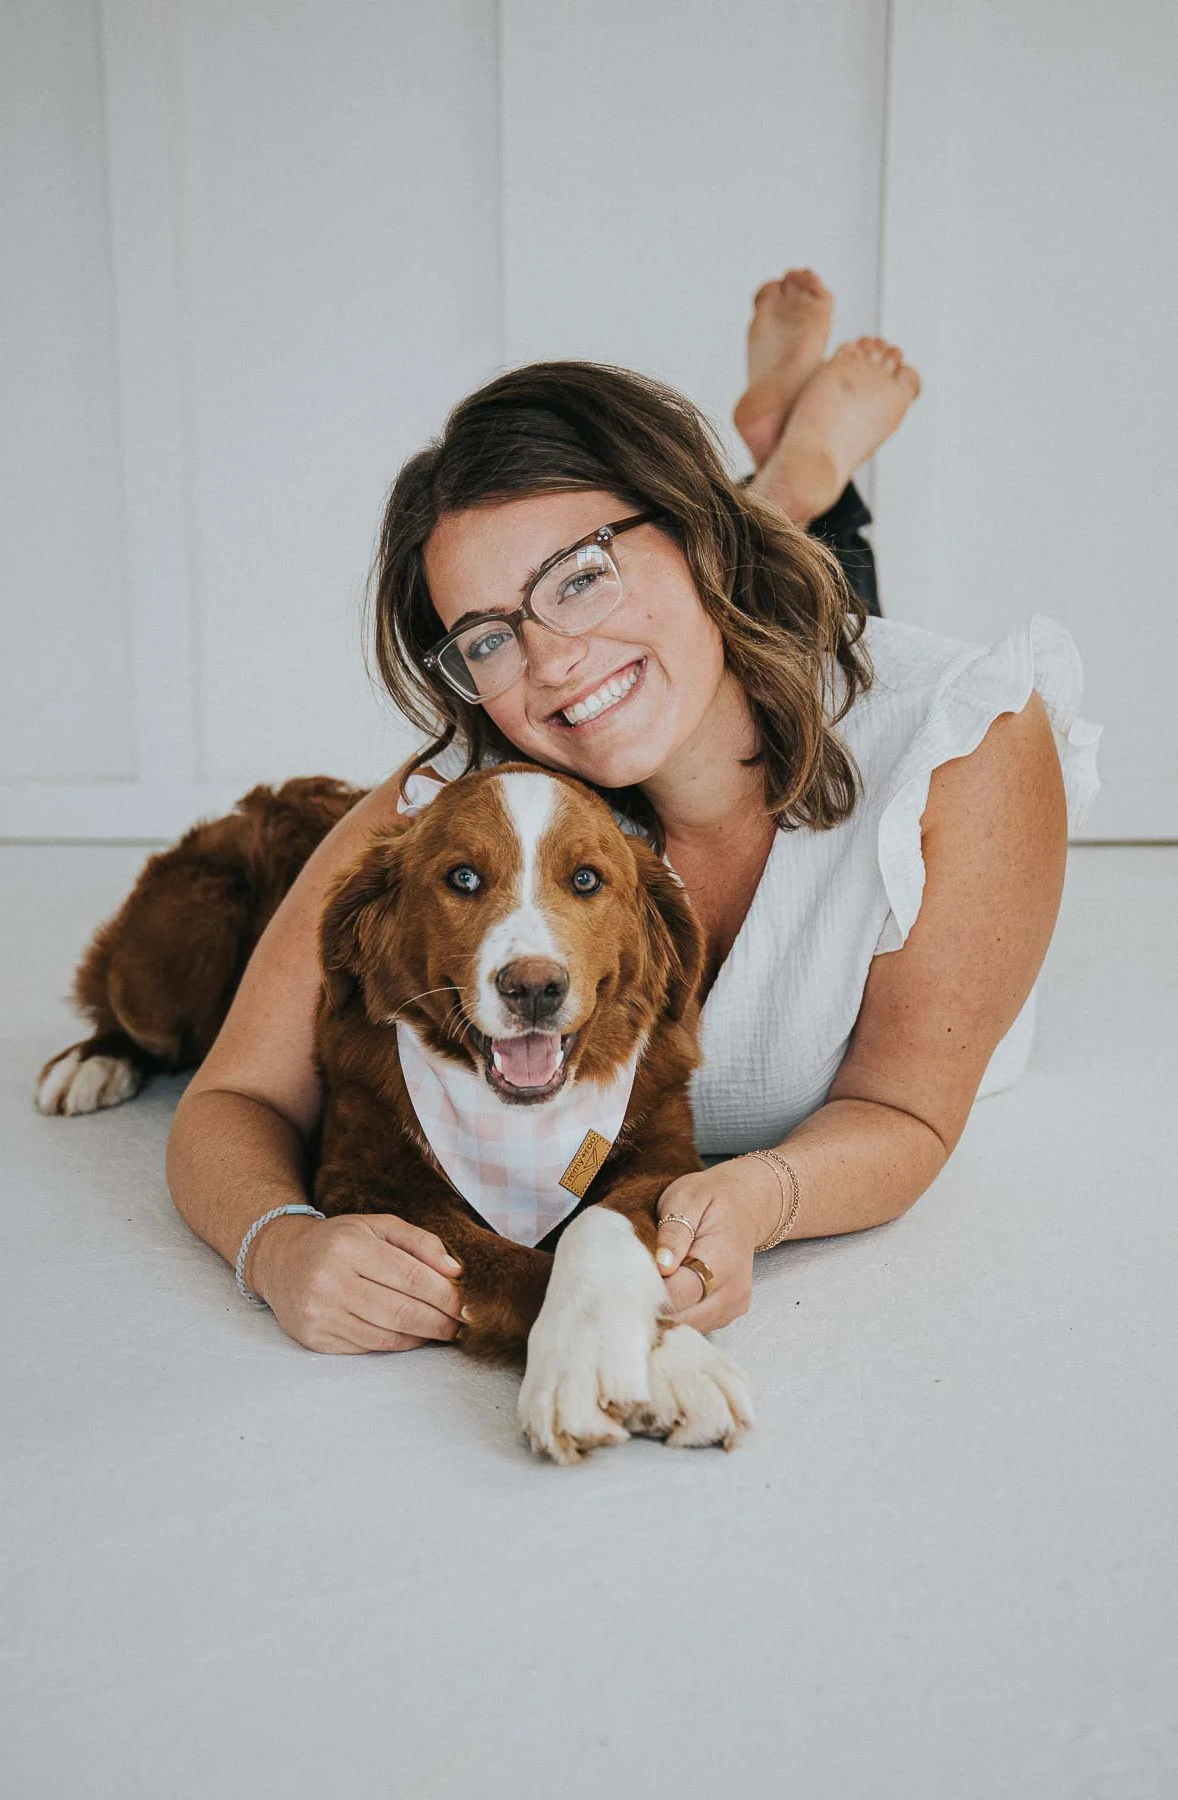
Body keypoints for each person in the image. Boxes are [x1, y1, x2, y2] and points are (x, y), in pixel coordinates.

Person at [165, 268, 1100, 1355]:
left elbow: (903, 1112)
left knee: (791, 615)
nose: (553, 663)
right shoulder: (473, 790)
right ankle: (783, 476)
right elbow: (233, 1095)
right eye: (488, 636)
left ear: (698, 529)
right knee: (681, 651)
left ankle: (798, 475)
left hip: (817, 671)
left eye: (578, 576)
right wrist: (278, 1247)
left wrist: (759, 1198)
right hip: (715, 600)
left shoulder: (968, 741)